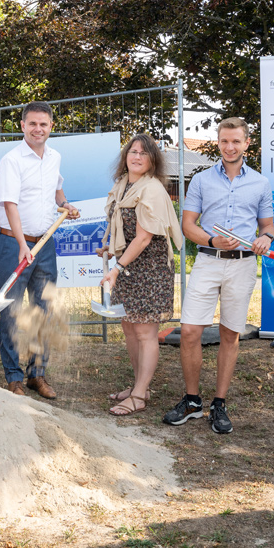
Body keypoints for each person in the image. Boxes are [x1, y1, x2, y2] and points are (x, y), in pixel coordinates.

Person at [161, 117, 273, 433]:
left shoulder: (260, 183)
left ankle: (219, 403)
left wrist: (266, 237)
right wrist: (211, 240)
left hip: (243, 265)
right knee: (191, 331)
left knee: (230, 334)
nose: (229, 146)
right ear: (219, 143)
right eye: (224, 141)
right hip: (208, 261)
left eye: (236, 141)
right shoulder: (201, 180)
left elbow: (267, 227)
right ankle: (192, 400)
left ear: (247, 143)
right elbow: (188, 226)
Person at [0, 102, 80, 398]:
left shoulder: (54, 157)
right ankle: (14, 377)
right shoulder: (12, 161)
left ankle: (37, 375)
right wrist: (21, 244)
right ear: (22, 126)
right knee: (12, 311)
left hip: (45, 244)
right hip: (12, 243)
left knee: (43, 309)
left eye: (43, 124)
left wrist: (65, 204)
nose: (38, 129)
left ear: (51, 126)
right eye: (32, 124)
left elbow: (56, 188)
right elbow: (9, 204)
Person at [100, 133, 183, 416]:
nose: (136, 156)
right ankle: (139, 385)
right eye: (132, 151)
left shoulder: (153, 190)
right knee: (129, 328)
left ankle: (139, 396)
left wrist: (117, 268)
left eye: (143, 153)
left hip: (150, 269)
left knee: (146, 332)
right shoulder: (122, 185)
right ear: (126, 156)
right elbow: (120, 226)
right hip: (127, 266)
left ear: (152, 161)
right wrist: (110, 248)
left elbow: (144, 238)